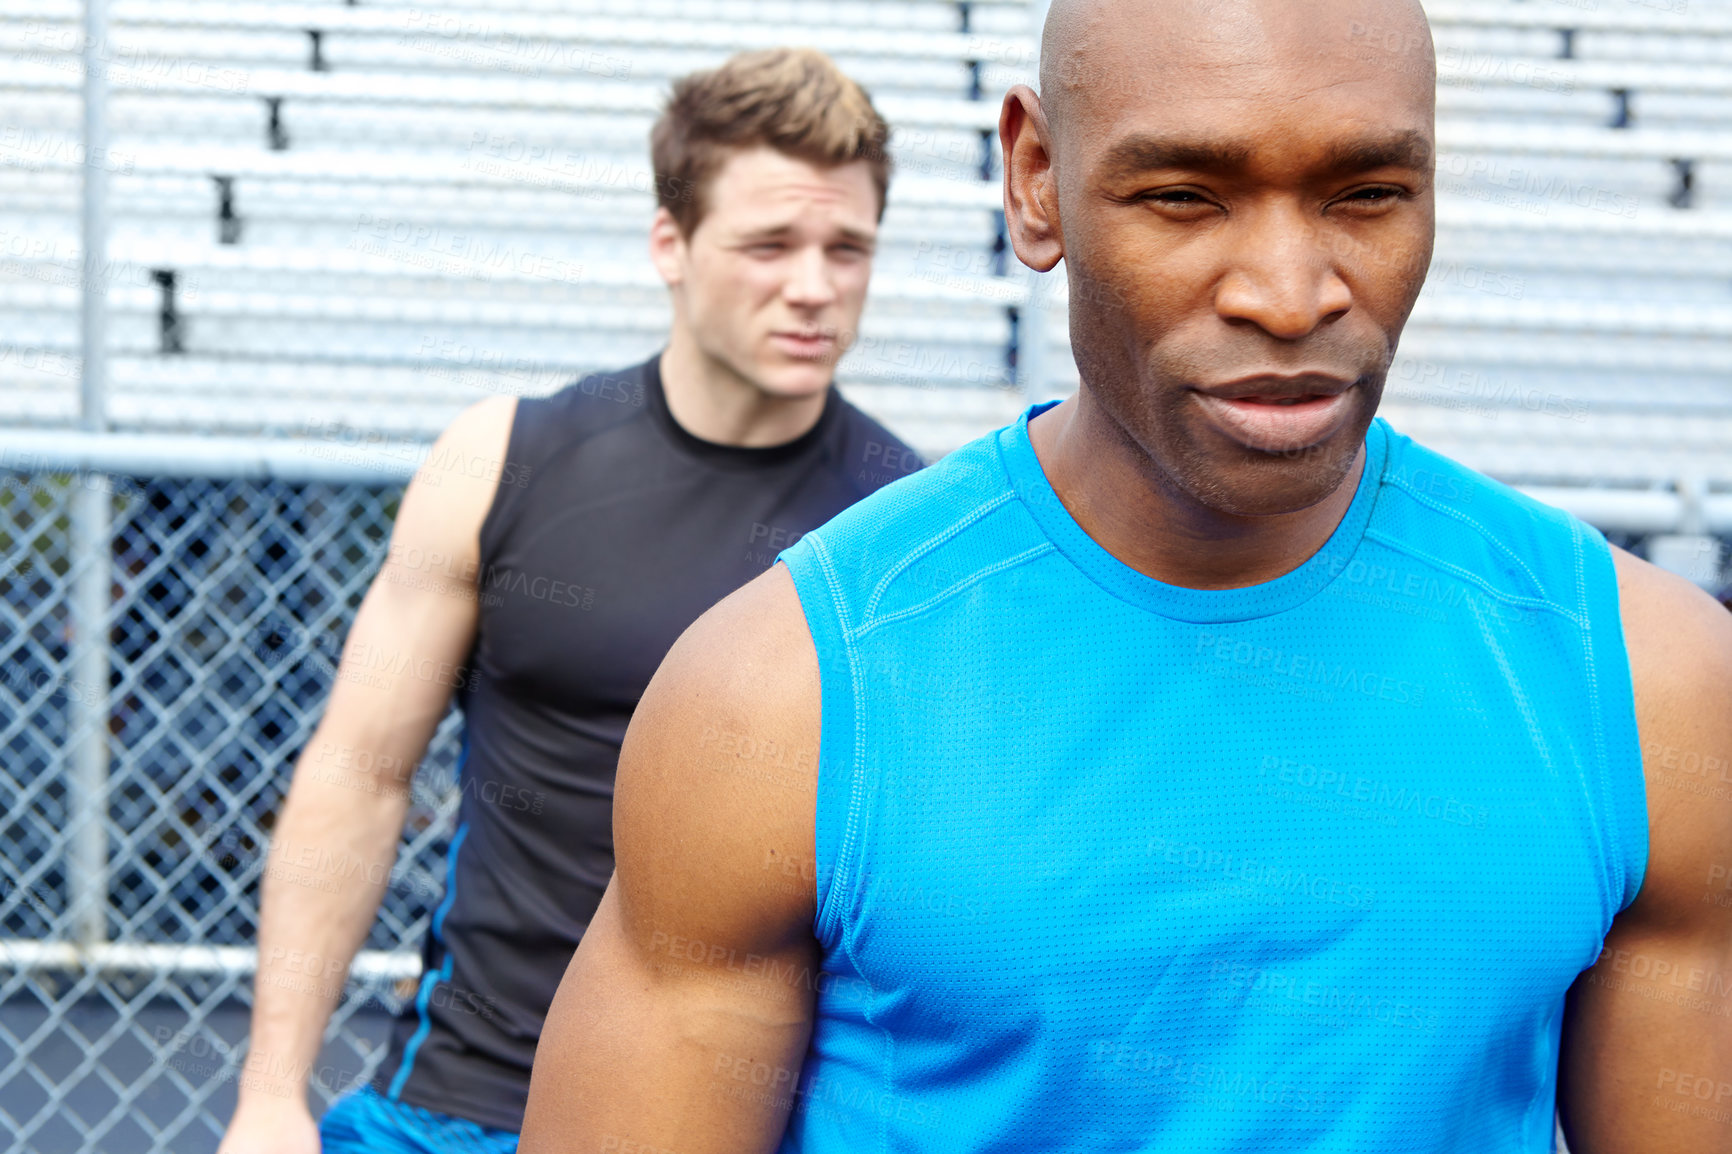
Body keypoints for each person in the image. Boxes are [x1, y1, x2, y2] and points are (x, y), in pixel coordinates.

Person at [518, 1, 1732, 1150]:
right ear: (1036, 181)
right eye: (1184, 198)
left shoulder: (1647, 684)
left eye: (1366, 193)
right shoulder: (782, 695)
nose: (1288, 293)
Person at [218, 47, 925, 1154]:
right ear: (670, 246)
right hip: (462, 1097)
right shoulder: (503, 459)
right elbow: (359, 772)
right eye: (769, 244)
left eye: (848, 249)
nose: (814, 285)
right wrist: (270, 1095)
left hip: (729, 1120)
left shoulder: (898, 528)